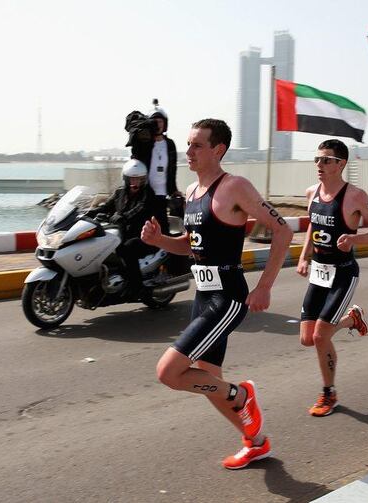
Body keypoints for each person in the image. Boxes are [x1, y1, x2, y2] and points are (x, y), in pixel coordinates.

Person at [141, 118, 293, 469]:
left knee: (169, 373)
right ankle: (256, 442)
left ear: (217, 150)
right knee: (208, 380)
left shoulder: (235, 187)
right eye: (188, 144)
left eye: (197, 145)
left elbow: (282, 230)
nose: (188, 151)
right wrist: (158, 241)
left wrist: (265, 286)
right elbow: (191, 246)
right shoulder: (192, 194)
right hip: (203, 294)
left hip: (227, 296)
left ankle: (243, 395)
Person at [296, 139, 368, 417]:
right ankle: (352, 319)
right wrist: (304, 257)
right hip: (319, 272)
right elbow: (313, 224)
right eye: (317, 159)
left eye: (326, 160)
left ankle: (329, 394)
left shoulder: (355, 196)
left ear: (341, 164)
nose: (319, 165)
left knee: (320, 335)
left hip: (343, 273)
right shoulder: (311, 193)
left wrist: (355, 239)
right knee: (307, 338)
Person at [89, 159, 166, 298]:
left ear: (144, 180)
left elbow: (139, 209)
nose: (135, 183)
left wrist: (122, 217)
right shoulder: (119, 193)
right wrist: (89, 213)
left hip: (144, 237)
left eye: (139, 179)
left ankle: (137, 287)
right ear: (125, 178)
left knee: (127, 248)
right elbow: (106, 206)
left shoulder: (147, 194)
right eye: (132, 179)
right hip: (124, 234)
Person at [139, 99, 182, 219]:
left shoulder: (170, 144)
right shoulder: (144, 143)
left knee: (163, 228)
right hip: (146, 195)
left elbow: (173, 169)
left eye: (160, 121)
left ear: (165, 123)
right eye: (154, 121)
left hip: (163, 195)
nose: (157, 124)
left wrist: (174, 189)